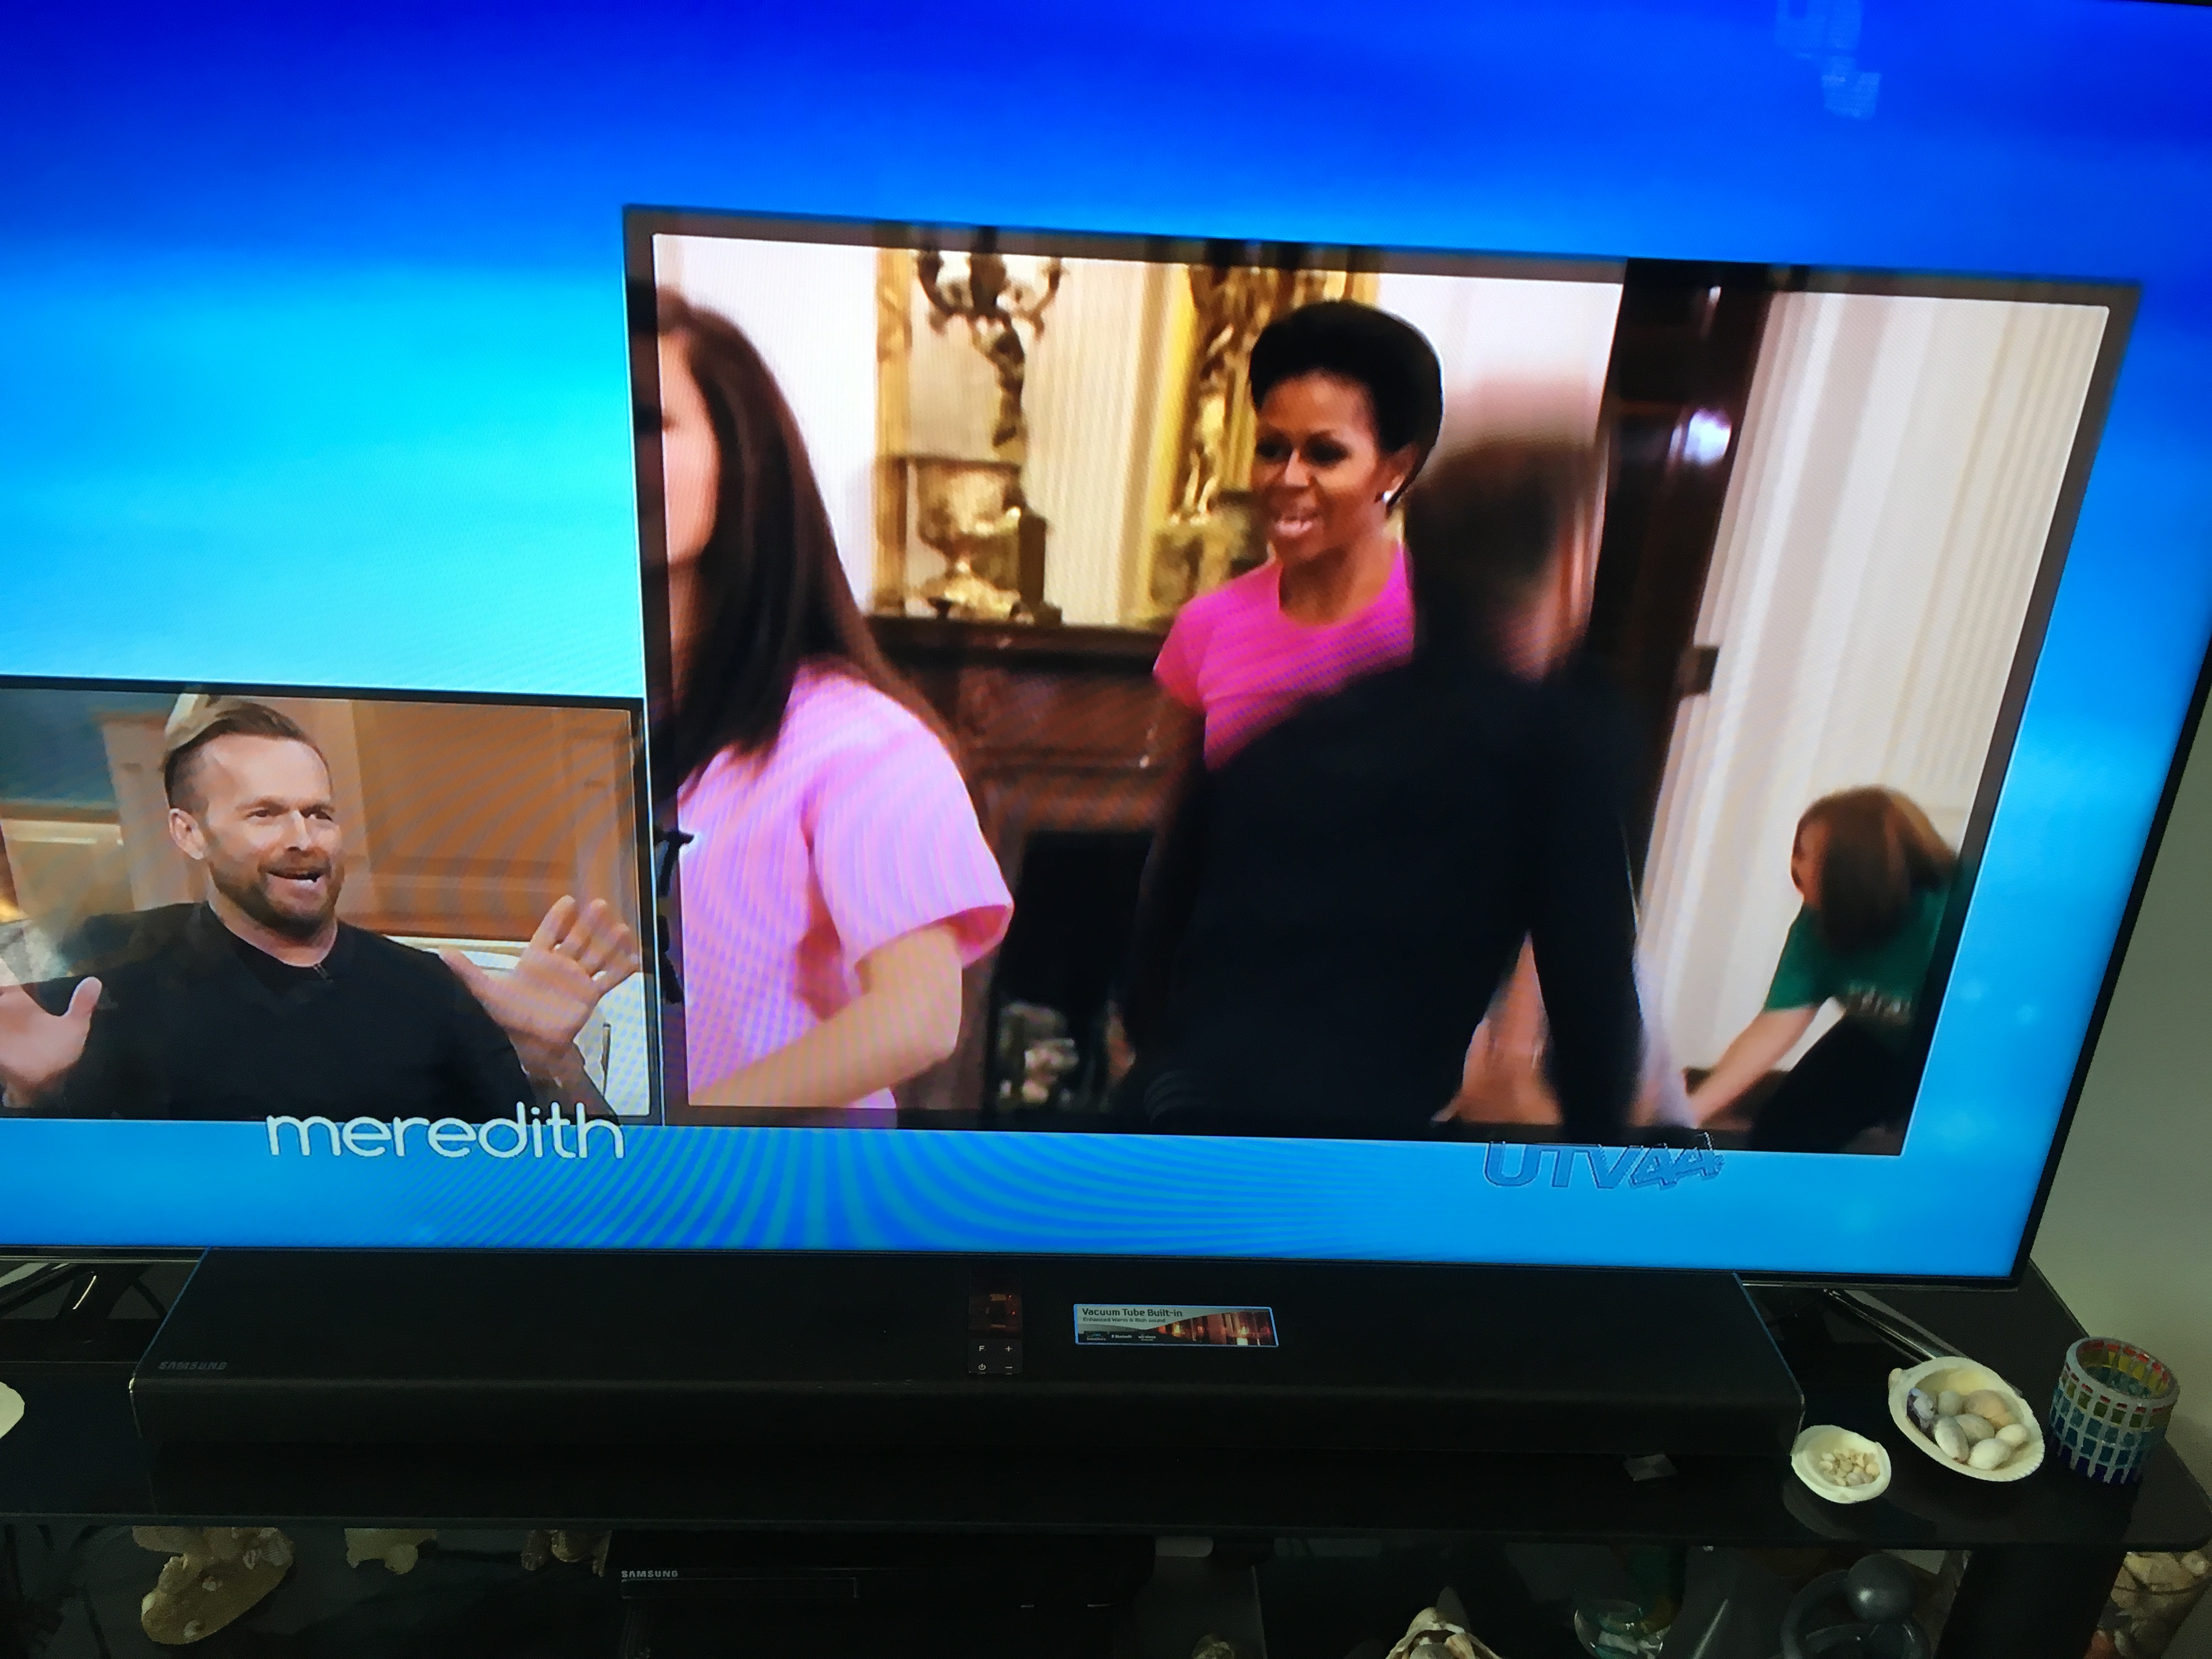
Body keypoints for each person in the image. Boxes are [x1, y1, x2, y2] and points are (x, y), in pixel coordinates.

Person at [1119, 439, 1644, 1139]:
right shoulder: (1557, 747)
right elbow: (1595, 1015)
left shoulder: (1279, 738)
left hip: (1169, 1111)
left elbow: (1152, 960)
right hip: (1335, 1148)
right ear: (1572, 567)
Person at [651, 290, 1011, 1119]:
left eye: (649, 423)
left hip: (783, 1185)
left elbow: (917, 1018)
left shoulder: (860, 743)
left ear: (740, 457)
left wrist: (683, 1143)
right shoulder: (581, 733)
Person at [0, 701, 640, 1121]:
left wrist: (553, 1063)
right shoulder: (110, 973)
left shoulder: (428, 989)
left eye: (320, 813)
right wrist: (29, 1097)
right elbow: (62, 1208)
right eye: (265, 814)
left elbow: (585, 1196)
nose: (304, 838)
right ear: (189, 833)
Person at [1121, 300, 1444, 1048]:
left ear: (1395, 469)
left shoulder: (1449, 629)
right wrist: (1142, 1009)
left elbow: (1522, 857)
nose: (1287, 477)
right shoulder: (1208, 625)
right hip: (1227, 1003)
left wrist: (1510, 1045)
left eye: (1325, 454)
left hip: (1391, 1018)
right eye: (1271, 448)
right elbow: (1180, 836)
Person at [1688, 788, 1956, 1152]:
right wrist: (1690, 1111)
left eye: (1807, 855)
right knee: (1783, 1130)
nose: (1796, 867)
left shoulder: (1951, 912)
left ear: (1859, 866)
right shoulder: (1819, 919)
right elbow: (1777, 1023)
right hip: (1879, 1038)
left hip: (1962, 1059)